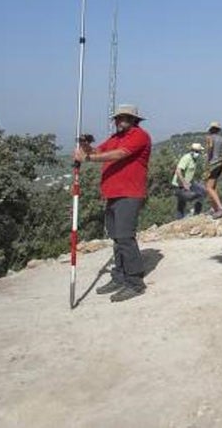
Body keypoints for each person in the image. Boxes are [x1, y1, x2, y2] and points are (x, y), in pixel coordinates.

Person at [74, 103, 152, 303]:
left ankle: (135, 283)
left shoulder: (139, 136)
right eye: (118, 118)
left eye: (124, 117)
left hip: (130, 194)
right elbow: (98, 150)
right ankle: (119, 277)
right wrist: (85, 146)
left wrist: (89, 157)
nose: (120, 121)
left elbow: (118, 154)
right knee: (117, 239)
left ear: (134, 120)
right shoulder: (115, 138)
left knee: (125, 238)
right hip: (113, 194)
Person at [204, 120, 222, 219]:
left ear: (211, 129)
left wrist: (207, 162)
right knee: (213, 187)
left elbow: (210, 149)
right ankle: (214, 208)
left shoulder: (209, 138)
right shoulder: (221, 139)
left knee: (208, 187)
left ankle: (220, 208)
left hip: (213, 164)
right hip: (220, 164)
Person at [173, 143, 207, 219]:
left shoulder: (194, 159)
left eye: (198, 152)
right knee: (184, 200)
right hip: (180, 184)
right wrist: (184, 184)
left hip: (190, 182)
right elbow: (178, 171)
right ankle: (181, 218)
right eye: (196, 151)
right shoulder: (186, 158)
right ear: (191, 151)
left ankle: (196, 213)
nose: (197, 153)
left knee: (203, 191)